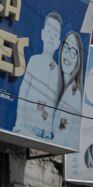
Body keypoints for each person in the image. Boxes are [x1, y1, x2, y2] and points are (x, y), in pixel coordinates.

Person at [15, 12, 63, 140]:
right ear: (42, 34)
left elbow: (56, 103)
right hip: (27, 125)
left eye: (55, 34)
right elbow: (23, 91)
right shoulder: (34, 60)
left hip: (46, 132)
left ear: (58, 43)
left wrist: (53, 131)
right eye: (49, 31)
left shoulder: (58, 71)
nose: (51, 36)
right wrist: (19, 120)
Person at [53, 30, 86, 147]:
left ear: (78, 60)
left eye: (73, 52)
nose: (68, 55)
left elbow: (59, 139)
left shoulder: (73, 93)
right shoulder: (60, 87)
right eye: (66, 47)